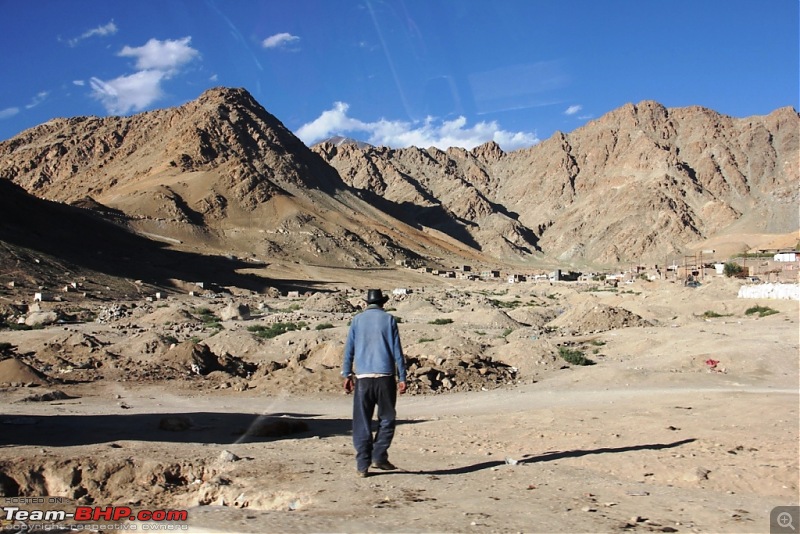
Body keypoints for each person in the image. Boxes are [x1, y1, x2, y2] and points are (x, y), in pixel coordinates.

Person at [341, 289, 407, 477]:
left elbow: (349, 350)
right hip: (385, 377)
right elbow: (397, 352)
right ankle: (379, 455)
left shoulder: (357, 320)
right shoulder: (389, 319)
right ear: (382, 303)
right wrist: (402, 377)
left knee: (362, 421)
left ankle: (363, 465)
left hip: (363, 379)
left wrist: (347, 374)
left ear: (366, 303)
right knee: (387, 419)